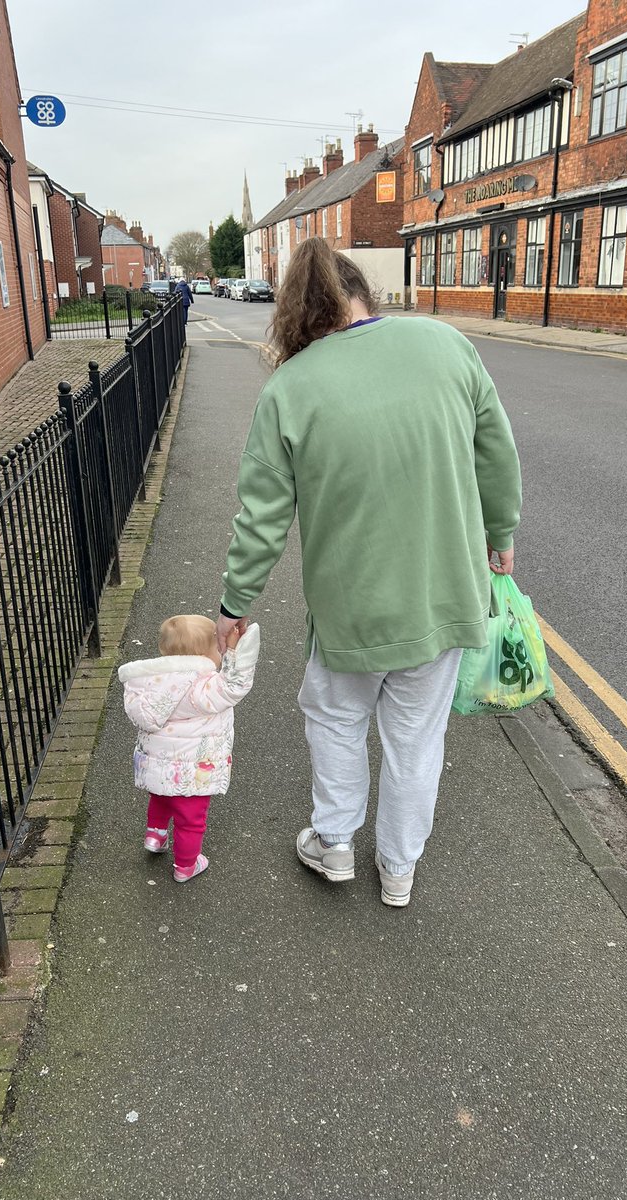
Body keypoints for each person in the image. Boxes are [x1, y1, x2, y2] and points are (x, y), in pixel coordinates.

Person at [216, 238, 521, 907]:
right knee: (416, 739)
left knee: (334, 718)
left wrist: (234, 605)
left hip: (350, 610)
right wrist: (500, 535)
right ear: (361, 294)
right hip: (444, 598)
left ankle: (333, 844)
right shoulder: (446, 346)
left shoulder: (290, 388)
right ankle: (399, 870)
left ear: (296, 316)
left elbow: (262, 516)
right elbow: (496, 453)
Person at [119, 615, 260, 882]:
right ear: (206, 653)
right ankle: (186, 865)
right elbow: (234, 685)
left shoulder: (147, 684)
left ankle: (155, 836)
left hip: (157, 765)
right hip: (191, 771)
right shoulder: (202, 686)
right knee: (190, 818)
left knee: (160, 797)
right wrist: (233, 651)